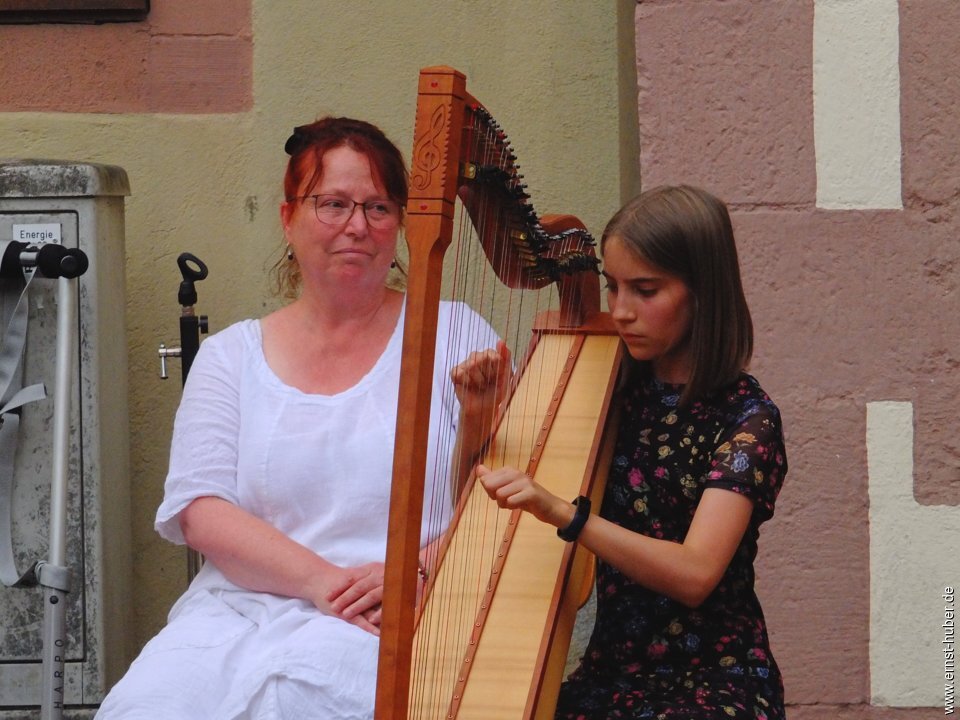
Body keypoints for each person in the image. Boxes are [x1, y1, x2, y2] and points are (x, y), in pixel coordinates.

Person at [96, 117, 498, 720]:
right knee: (146, 706)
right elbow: (201, 509)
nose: (357, 226)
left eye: (378, 207)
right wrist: (322, 584)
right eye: (332, 204)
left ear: (401, 224)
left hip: (397, 611)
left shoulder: (456, 333)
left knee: (302, 699)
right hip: (237, 611)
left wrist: (419, 568)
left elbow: (503, 493)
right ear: (288, 218)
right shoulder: (230, 356)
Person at [472, 185, 787, 719]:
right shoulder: (608, 387)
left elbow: (695, 575)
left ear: (702, 292)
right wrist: (477, 418)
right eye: (613, 287)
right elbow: (489, 507)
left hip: (715, 679)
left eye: (645, 290)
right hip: (612, 674)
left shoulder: (748, 420)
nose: (619, 311)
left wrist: (566, 514)